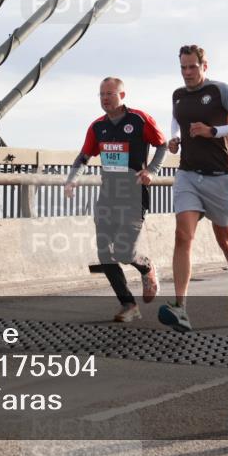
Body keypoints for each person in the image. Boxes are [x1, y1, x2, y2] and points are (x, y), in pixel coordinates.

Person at [157, 44, 228, 333]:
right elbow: (177, 119)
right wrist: (173, 139)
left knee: (225, 240)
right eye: (183, 67)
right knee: (183, 235)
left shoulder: (221, 91)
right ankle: (180, 307)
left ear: (204, 66)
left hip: (219, 176)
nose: (187, 73)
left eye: (192, 67)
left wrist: (215, 132)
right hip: (187, 175)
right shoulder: (178, 95)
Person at [65, 77, 168, 322]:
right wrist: (72, 179)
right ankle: (128, 304)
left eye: (110, 94)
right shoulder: (97, 126)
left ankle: (145, 266)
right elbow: (83, 157)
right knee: (104, 253)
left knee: (123, 252)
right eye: (101, 94)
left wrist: (151, 171)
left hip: (133, 195)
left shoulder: (139, 120)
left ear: (122, 95)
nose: (105, 98)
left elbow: (162, 145)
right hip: (108, 195)